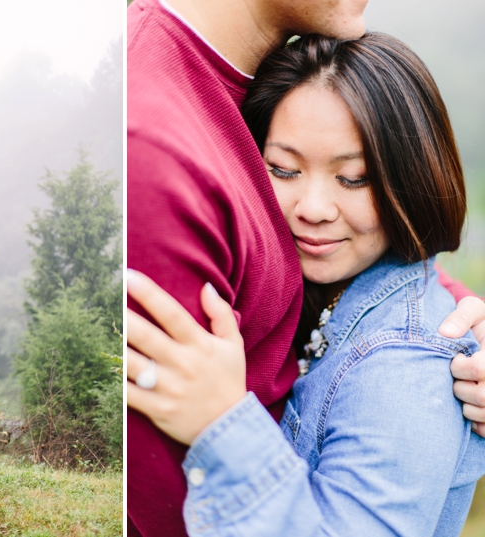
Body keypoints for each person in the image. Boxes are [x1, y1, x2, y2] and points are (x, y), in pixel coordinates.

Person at [126, 0, 485, 534]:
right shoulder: (338, 293)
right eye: (282, 169)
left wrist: (223, 424)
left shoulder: (403, 363)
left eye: (354, 178)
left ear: (410, 179)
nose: (313, 209)